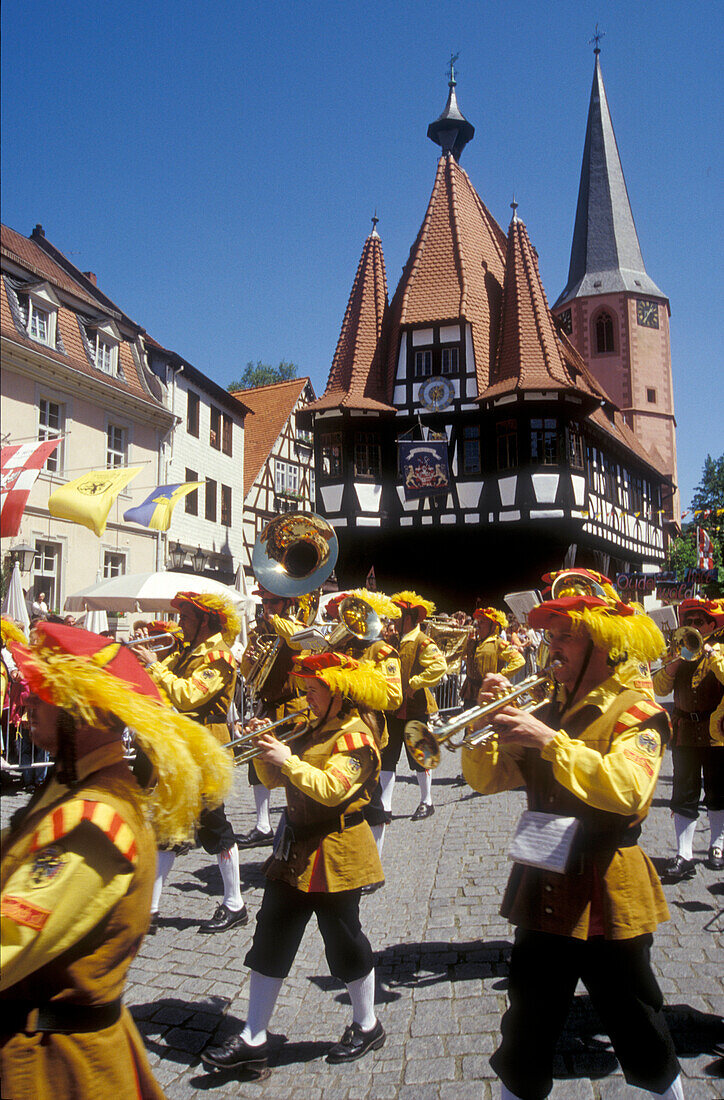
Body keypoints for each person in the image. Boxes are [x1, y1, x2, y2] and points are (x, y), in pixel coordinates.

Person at [462, 584, 684, 1100]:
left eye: (567, 637)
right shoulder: (546, 707)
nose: (552, 646)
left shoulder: (637, 712)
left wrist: (550, 743)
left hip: (607, 885)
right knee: (525, 1028)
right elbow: (489, 780)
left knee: (639, 1024)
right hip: (542, 882)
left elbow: (627, 791)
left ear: (602, 644)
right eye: (551, 635)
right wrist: (486, 727)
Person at [0, 620, 232, 1100]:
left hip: (57, 1069)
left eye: (44, 693)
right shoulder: (66, 782)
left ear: (80, 712)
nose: (29, 703)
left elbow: (10, 937)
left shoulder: (95, 821)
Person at [201, 652, 388, 1074]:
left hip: (337, 849)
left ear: (339, 693)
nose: (307, 697)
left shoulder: (355, 737)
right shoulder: (310, 727)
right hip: (295, 849)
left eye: (314, 690)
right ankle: (253, 1036)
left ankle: (367, 1023)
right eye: (306, 689)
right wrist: (262, 752)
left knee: (344, 942)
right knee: (271, 934)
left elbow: (332, 788)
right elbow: (276, 780)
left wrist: (287, 758)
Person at [134, 590, 247, 933]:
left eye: (185, 617)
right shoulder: (186, 652)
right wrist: (144, 662)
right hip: (180, 747)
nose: (179, 623)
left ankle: (235, 904)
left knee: (215, 825)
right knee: (168, 825)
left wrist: (153, 664)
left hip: (205, 748)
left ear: (205, 622)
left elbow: (186, 696)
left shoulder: (220, 657)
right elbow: (157, 685)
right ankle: (150, 909)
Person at [653, 596, 724, 878]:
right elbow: (659, 689)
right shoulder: (676, 652)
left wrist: (711, 653)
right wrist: (672, 664)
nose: (692, 626)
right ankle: (684, 854)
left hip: (716, 731)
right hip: (684, 730)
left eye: (698, 622)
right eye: (688, 622)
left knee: (718, 790)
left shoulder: (719, 650)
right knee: (683, 792)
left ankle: (717, 846)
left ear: (711, 624)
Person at [237, 585, 306, 847]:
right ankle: (262, 824)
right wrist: (250, 659)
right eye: (265, 602)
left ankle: (299, 819)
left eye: (273, 602)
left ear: (287, 603)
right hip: (266, 706)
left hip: (293, 708)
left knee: (294, 765)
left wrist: (276, 621)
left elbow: (297, 640)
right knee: (258, 765)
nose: (267, 607)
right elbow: (246, 672)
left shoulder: (296, 627)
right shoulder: (258, 633)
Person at [376, 590, 447, 822]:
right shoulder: (394, 641)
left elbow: (439, 667)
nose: (394, 620)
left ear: (409, 617)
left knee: (421, 757)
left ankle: (427, 801)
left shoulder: (423, 641)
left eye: (398, 615)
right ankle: (385, 805)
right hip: (393, 710)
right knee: (388, 756)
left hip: (416, 709)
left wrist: (416, 682)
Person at [461, 607, 525, 704]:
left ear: (493, 626)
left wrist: (499, 676)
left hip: (488, 694)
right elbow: (458, 654)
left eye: (482, 622)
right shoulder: (473, 642)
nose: (478, 625)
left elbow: (519, 661)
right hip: (470, 693)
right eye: (478, 621)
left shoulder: (499, 643)